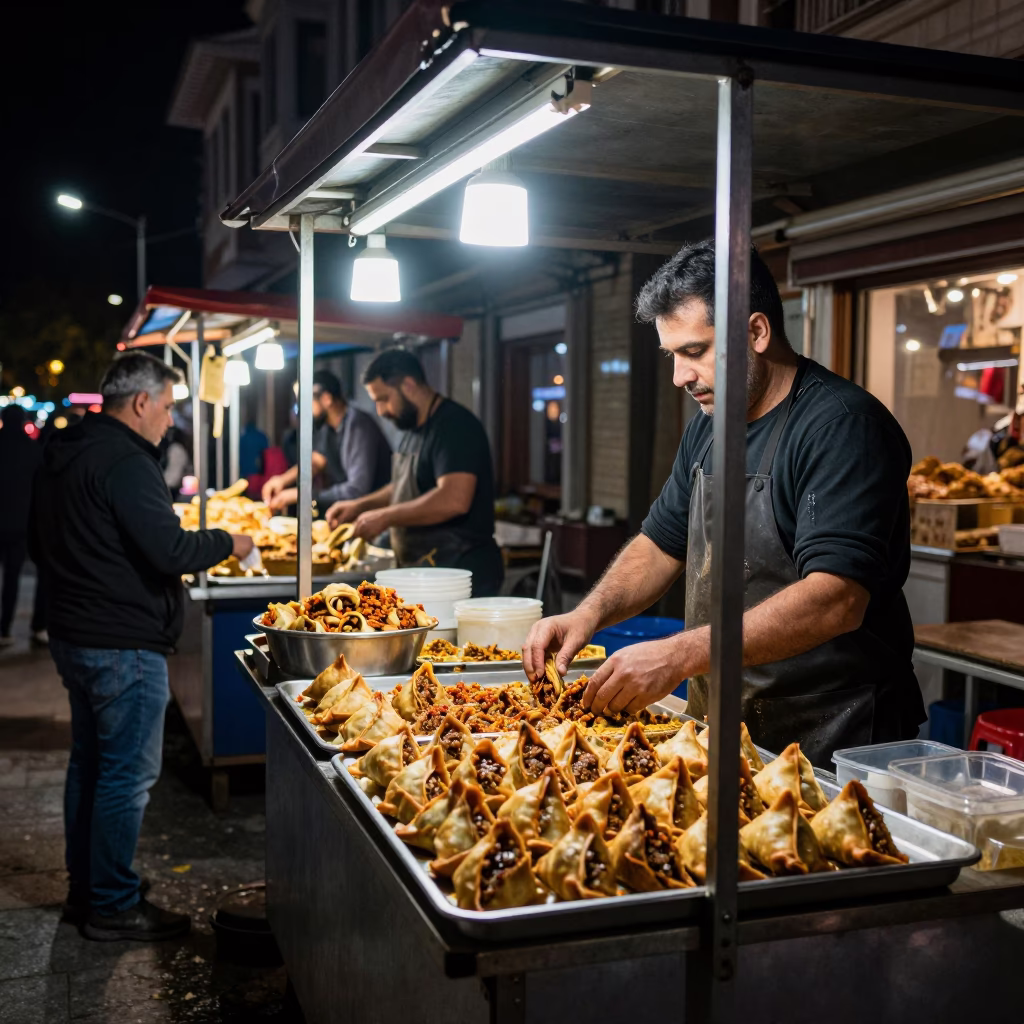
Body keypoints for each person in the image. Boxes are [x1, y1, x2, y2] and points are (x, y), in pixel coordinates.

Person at [524, 240, 925, 768]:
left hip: (836, 734)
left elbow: (837, 599)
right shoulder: (710, 430)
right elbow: (660, 544)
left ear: (756, 332)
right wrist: (588, 613)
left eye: (694, 352)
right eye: (672, 356)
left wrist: (679, 653)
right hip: (731, 722)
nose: (679, 378)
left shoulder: (843, 427)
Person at [29, 351, 254, 942]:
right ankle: (112, 904)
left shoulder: (65, 452)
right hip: (121, 644)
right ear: (140, 403)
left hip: (75, 635)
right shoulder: (126, 461)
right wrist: (231, 539)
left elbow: (37, 540)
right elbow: (171, 551)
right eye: (168, 405)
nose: (170, 418)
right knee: (126, 776)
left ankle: (91, 886)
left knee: (93, 765)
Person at [326, 349, 504, 596]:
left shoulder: (455, 426)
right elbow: (403, 486)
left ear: (408, 385)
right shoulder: (411, 431)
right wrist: (359, 505)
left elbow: (453, 499)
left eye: (384, 398)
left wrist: (385, 517)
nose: (380, 410)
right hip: (426, 571)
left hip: (460, 573)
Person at [262, 369, 391, 513]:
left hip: (375, 516)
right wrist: (283, 480)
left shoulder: (359, 427)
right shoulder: (328, 427)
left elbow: (356, 489)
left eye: (307, 401)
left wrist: (304, 495)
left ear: (326, 399)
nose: (304, 409)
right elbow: (317, 461)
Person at [0, 404, 46, 646]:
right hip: (22, 524)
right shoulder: (32, 451)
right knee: (15, 575)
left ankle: (4, 627)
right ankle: (34, 627)